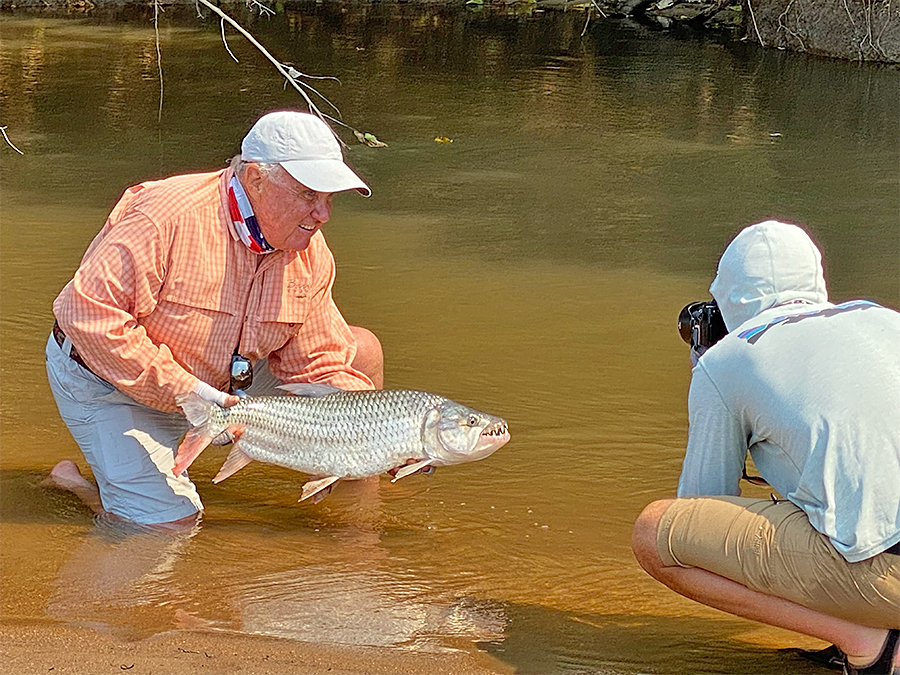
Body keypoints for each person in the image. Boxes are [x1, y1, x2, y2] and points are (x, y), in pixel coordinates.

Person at [45, 110, 385, 527]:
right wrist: (188, 393)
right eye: (309, 195)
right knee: (167, 526)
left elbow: (318, 362)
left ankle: (359, 536)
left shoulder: (308, 251)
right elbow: (89, 316)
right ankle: (81, 487)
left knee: (361, 355)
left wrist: (385, 438)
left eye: (329, 199)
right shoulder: (165, 215)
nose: (323, 215)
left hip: (223, 386)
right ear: (256, 179)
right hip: (109, 378)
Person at [631, 220, 900, 675]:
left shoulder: (728, 360)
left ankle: (870, 644)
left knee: (655, 534)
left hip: (890, 580)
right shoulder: (884, 318)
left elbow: (702, 503)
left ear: (727, 295)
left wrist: (708, 381)